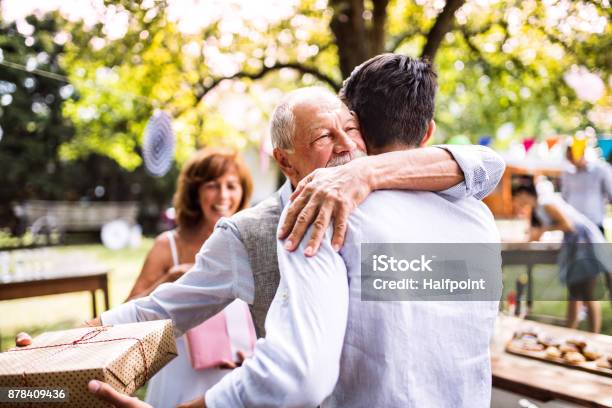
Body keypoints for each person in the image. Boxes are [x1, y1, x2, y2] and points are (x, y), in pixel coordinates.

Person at [20, 87, 505, 405]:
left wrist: (369, 172)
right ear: (286, 161)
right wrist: (66, 342)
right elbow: (164, 311)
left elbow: (486, 165)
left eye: (350, 129)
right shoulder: (258, 231)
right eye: (323, 136)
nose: (346, 145)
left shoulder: (429, 205)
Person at [200, 55, 502, 407]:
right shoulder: (479, 219)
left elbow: (301, 376)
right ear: (430, 131)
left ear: (357, 129)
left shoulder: (328, 213)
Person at [129, 148, 255, 407]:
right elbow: (128, 313)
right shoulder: (169, 246)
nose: (223, 196)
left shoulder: (250, 243)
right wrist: (168, 278)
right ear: (195, 192)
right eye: (212, 185)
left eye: (231, 186)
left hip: (234, 380)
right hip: (179, 378)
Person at [512, 179, 611, 333]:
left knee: (587, 293)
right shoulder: (539, 208)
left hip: (585, 244)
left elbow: (568, 225)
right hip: (576, 246)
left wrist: (545, 230)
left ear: (523, 194)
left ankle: (594, 335)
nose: (516, 202)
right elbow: (535, 234)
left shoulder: (546, 202)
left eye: (517, 197)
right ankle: (569, 332)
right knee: (574, 293)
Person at [561, 146, 612, 236]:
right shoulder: (567, 173)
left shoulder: (601, 170)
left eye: (572, 156)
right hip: (573, 224)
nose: (571, 160)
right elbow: (564, 197)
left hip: (594, 222)